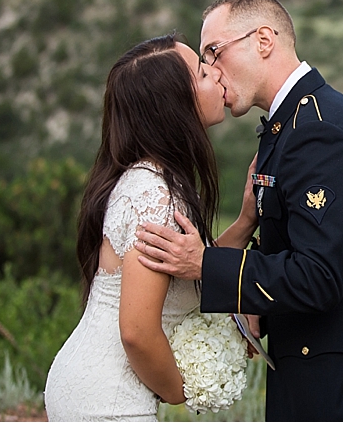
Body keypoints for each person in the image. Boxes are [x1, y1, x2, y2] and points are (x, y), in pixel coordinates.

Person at [135, 0, 343, 421]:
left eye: (214, 52)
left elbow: (318, 276)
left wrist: (206, 264)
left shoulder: (319, 131)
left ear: (263, 41)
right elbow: (295, 246)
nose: (212, 72)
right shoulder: (292, 125)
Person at [44, 34, 249, 421]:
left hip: (86, 383)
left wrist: (245, 219)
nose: (217, 75)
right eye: (203, 73)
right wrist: (179, 390)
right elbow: (136, 331)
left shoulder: (144, 178)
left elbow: (191, 267)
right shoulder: (157, 197)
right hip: (108, 400)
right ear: (177, 105)